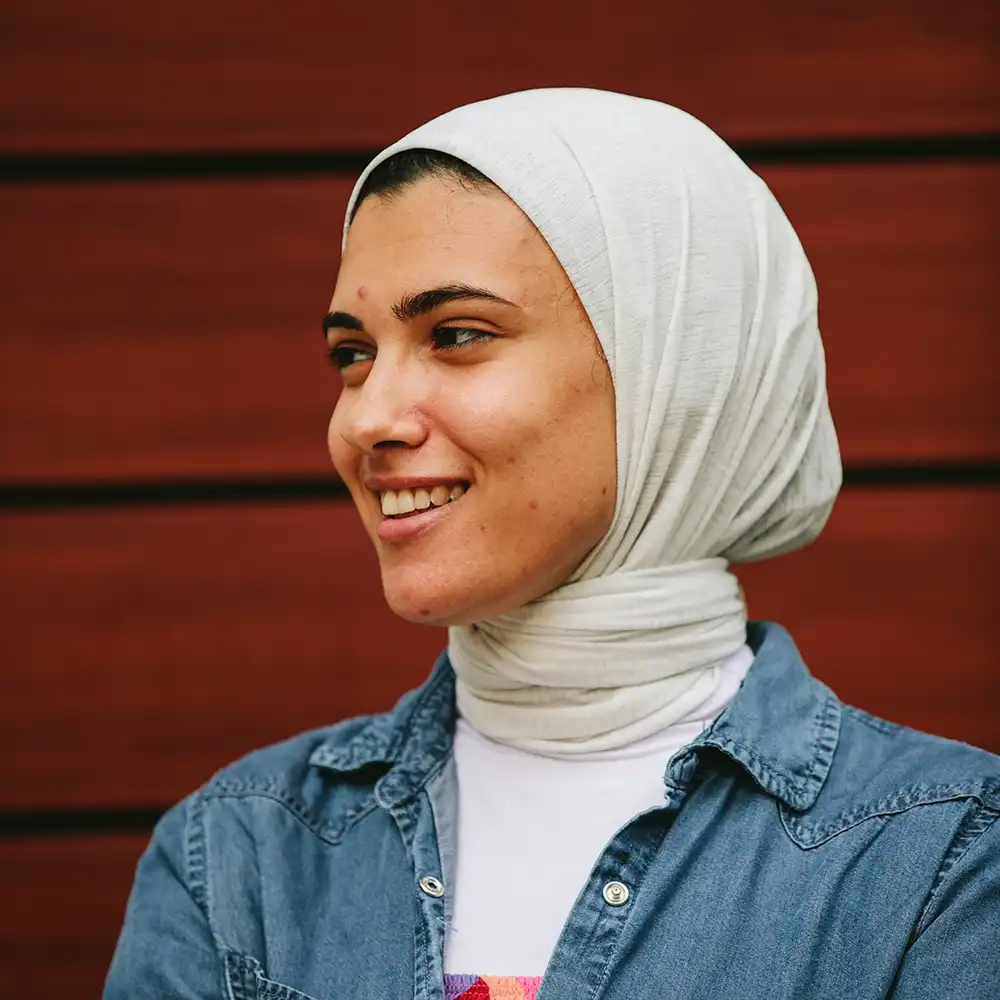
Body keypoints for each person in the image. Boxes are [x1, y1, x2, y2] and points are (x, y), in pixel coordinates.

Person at [105, 89, 1000, 1000]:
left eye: (456, 335)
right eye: (352, 354)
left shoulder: (948, 858)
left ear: (676, 369)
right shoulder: (238, 856)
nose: (365, 418)